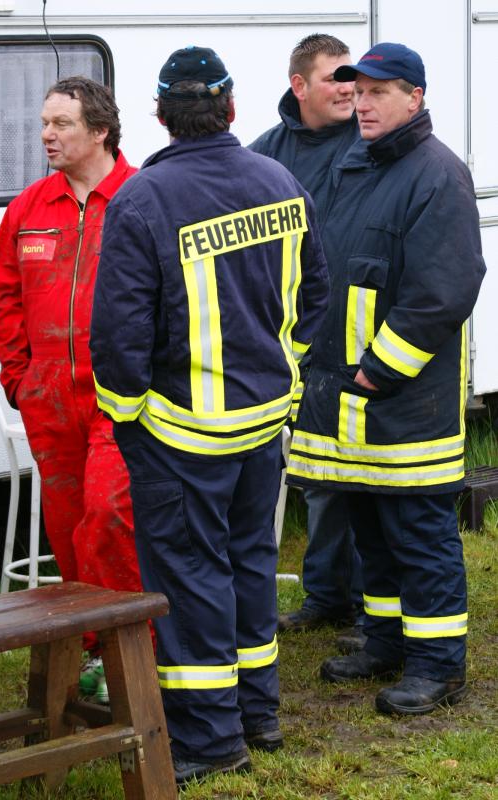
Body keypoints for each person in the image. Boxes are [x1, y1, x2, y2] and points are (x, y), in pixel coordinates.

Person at [90, 46, 328, 784]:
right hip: (262, 425)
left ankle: (209, 736)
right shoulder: (280, 181)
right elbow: (314, 296)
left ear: (160, 116)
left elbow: (118, 337)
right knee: (252, 565)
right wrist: (285, 383)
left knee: (190, 581)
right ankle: (260, 711)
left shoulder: (143, 199)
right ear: (229, 109)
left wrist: (127, 420)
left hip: (178, 434)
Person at [287, 42, 486, 715]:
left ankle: (436, 664)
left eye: (377, 92)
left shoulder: (436, 174)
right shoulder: (351, 163)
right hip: (346, 402)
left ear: (414, 98)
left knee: (419, 534)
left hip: (401, 402)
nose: (361, 103)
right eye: (356, 91)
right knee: (369, 527)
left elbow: (443, 290)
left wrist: (376, 372)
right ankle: (383, 640)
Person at [0, 76, 145, 703]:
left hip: (121, 398)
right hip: (49, 397)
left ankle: (128, 648)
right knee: (69, 524)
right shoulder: (30, 207)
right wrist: (20, 377)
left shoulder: (139, 197)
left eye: (62, 124)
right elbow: (0, 295)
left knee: (109, 516)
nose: (47, 135)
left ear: (99, 131)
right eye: (44, 124)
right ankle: (89, 650)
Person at [249, 33, 365, 645]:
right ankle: (326, 596)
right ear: (299, 86)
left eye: (354, 76)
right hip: (295, 339)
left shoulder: (372, 141)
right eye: (336, 77)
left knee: (368, 478)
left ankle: (375, 603)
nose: (350, 88)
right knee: (318, 473)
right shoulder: (267, 154)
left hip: (361, 336)